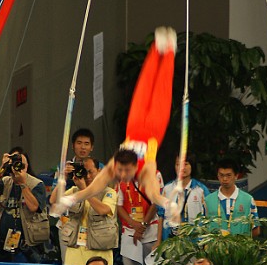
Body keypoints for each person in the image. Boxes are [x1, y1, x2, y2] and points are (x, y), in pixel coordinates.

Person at [52, 27, 180, 224]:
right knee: (149, 86)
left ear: (133, 167)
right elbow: (93, 189)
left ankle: (164, 49)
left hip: (136, 125)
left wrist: (169, 205)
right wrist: (70, 199)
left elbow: (154, 194)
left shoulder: (146, 168)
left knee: (153, 86)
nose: (121, 175)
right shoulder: (114, 166)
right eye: (120, 171)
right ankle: (163, 47)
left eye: (125, 172)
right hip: (155, 126)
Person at [0, 147, 49, 263]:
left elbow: (34, 207)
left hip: (27, 246)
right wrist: (2, 168)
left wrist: (23, 184)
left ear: (27, 166)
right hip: (3, 244)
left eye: (21, 164)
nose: (17, 167)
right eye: (14, 163)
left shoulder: (36, 184)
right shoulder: (5, 181)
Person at [50, 157, 118, 265]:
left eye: (91, 172)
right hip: (75, 251)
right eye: (85, 173)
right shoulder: (74, 190)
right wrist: (64, 178)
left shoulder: (109, 192)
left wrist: (84, 190)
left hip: (99, 252)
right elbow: (53, 201)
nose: (88, 176)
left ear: (99, 171)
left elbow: (103, 210)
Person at [51, 128, 99, 263]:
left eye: (86, 143)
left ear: (92, 147)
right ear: (73, 146)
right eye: (79, 143)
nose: (83, 147)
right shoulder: (64, 166)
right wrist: (64, 177)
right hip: (67, 223)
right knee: (68, 263)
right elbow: (54, 200)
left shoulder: (98, 167)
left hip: (91, 223)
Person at [116, 167, 162, 265]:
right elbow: (118, 205)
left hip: (151, 231)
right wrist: (133, 224)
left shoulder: (154, 174)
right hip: (129, 232)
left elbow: (155, 203)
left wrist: (142, 226)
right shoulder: (122, 175)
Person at [157, 153, 208, 243]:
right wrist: (158, 241)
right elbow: (161, 216)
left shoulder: (201, 190)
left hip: (195, 243)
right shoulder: (167, 189)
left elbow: (208, 217)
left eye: (186, 164)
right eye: (178, 164)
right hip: (171, 241)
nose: (182, 168)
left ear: (192, 166)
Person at [204, 159, 260, 237]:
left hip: (240, 248)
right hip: (215, 248)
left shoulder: (248, 200)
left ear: (236, 176)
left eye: (228, 175)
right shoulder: (208, 200)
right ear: (218, 176)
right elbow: (203, 228)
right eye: (221, 175)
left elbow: (256, 229)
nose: (225, 179)